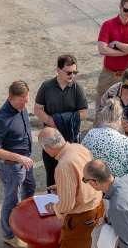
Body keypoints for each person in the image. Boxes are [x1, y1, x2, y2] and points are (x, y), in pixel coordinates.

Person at [39, 129, 102, 248]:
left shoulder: (63, 166)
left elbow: (67, 205)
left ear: (48, 148)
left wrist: (54, 208)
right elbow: (83, 179)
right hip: (95, 207)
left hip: (81, 216)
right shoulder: (78, 148)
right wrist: (61, 186)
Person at [0, 80, 35, 248]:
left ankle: (24, 224)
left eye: (27, 98)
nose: (26, 102)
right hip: (12, 167)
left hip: (26, 162)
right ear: (11, 98)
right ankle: (9, 235)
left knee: (30, 190)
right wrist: (19, 158)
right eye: (22, 99)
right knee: (11, 200)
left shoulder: (21, 108)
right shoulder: (2, 118)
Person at [34, 55, 88, 189]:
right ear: (58, 70)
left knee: (71, 175)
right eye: (69, 72)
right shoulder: (46, 87)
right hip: (51, 141)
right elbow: (37, 109)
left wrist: (62, 120)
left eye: (75, 72)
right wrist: (50, 121)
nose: (72, 75)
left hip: (70, 140)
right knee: (52, 175)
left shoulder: (77, 88)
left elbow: (84, 113)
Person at [96, 0, 128, 102]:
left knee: (127, 105)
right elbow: (102, 49)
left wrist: (117, 44)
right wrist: (127, 50)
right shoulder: (108, 25)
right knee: (102, 104)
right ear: (120, 7)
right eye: (126, 10)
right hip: (109, 74)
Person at [82, 97, 128, 178]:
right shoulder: (124, 141)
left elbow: (81, 157)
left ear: (103, 116)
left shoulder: (91, 133)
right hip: (116, 185)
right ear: (119, 118)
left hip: (92, 182)